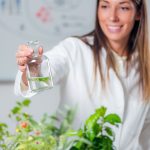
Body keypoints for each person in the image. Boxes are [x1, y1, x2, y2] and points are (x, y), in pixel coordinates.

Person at [14, 0, 150, 149]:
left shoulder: (146, 63)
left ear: (138, 13)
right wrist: (33, 67)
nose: (112, 17)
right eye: (105, 6)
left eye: (123, 8)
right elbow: (44, 73)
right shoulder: (74, 49)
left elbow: (145, 132)